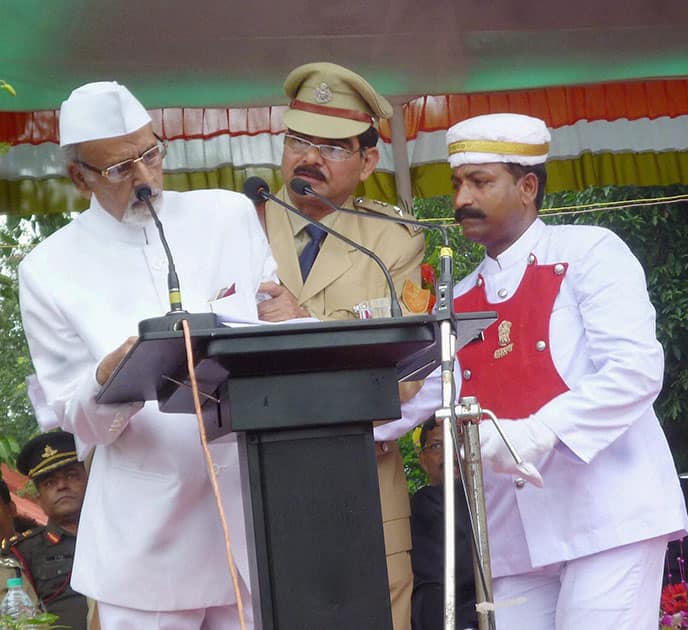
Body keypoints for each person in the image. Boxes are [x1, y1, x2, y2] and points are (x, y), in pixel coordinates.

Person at [376, 112, 688, 629]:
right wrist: (344, 425)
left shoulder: (590, 250)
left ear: (526, 187)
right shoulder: (459, 296)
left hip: (607, 517)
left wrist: (535, 434)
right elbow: (421, 394)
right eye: (457, 184)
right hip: (513, 537)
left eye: (479, 182)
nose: (460, 200)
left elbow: (634, 370)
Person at [18, 81, 278, 629]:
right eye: (118, 169)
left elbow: (273, 328)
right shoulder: (47, 269)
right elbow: (73, 416)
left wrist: (290, 316)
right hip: (145, 541)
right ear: (78, 176)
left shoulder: (228, 216)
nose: (144, 179)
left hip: (254, 518)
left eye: (151, 155)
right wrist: (105, 379)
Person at [256, 62, 426, 630]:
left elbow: (405, 374)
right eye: (298, 141)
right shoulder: (237, 224)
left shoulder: (394, 243)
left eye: (330, 147)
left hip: (363, 485)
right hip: (254, 478)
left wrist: (302, 323)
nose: (309, 158)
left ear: (368, 160)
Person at [0, 431, 88, 629]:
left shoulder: (122, 533)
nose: (62, 486)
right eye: (50, 483)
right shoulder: (20, 554)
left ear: (89, 480)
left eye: (71, 475)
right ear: (39, 498)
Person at [410, 419, 476, 630]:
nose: (450, 453)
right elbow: (432, 586)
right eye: (438, 446)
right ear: (423, 459)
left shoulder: (494, 498)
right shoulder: (425, 503)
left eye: (458, 442)